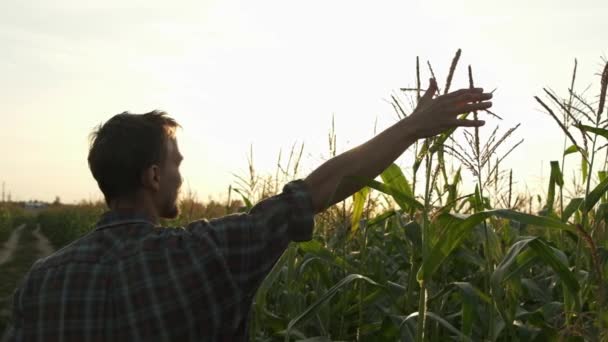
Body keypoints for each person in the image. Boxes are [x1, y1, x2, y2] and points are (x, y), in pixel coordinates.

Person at [5, 78, 492, 341]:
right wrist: (412, 127)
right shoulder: (203, 254)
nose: (180, 174)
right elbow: (320, 189)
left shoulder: (41, 281)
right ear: (153, 177)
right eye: (175, 163)